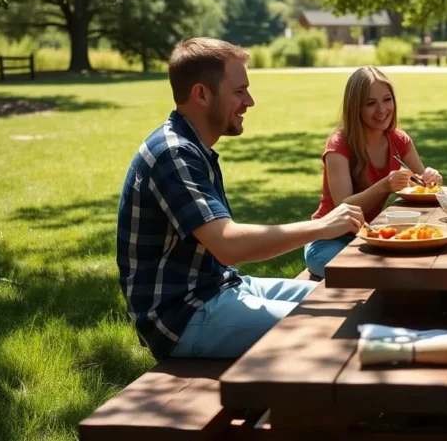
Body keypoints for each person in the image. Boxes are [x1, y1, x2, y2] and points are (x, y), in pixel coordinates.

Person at [117, 38, 365, 361]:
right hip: (184, 317)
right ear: (201, 94)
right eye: (239, 91)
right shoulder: (173, 154)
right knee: (327, 330)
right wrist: (322, 228)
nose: (249, 101)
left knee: (349, 302)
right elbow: (229, 245)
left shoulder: (191, 146)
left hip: (221, 289)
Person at [304, 67, 442, 278]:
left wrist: (431, 179)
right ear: (355, 108)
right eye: (370, 103)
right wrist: (385, 186)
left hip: (370, 234)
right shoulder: (339, 144)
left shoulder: (398, 140)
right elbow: (344, 208)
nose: (382, 109)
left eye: (387, 100)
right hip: (328, 239)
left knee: (414, 264)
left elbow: (423, 186)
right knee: (369, 275)